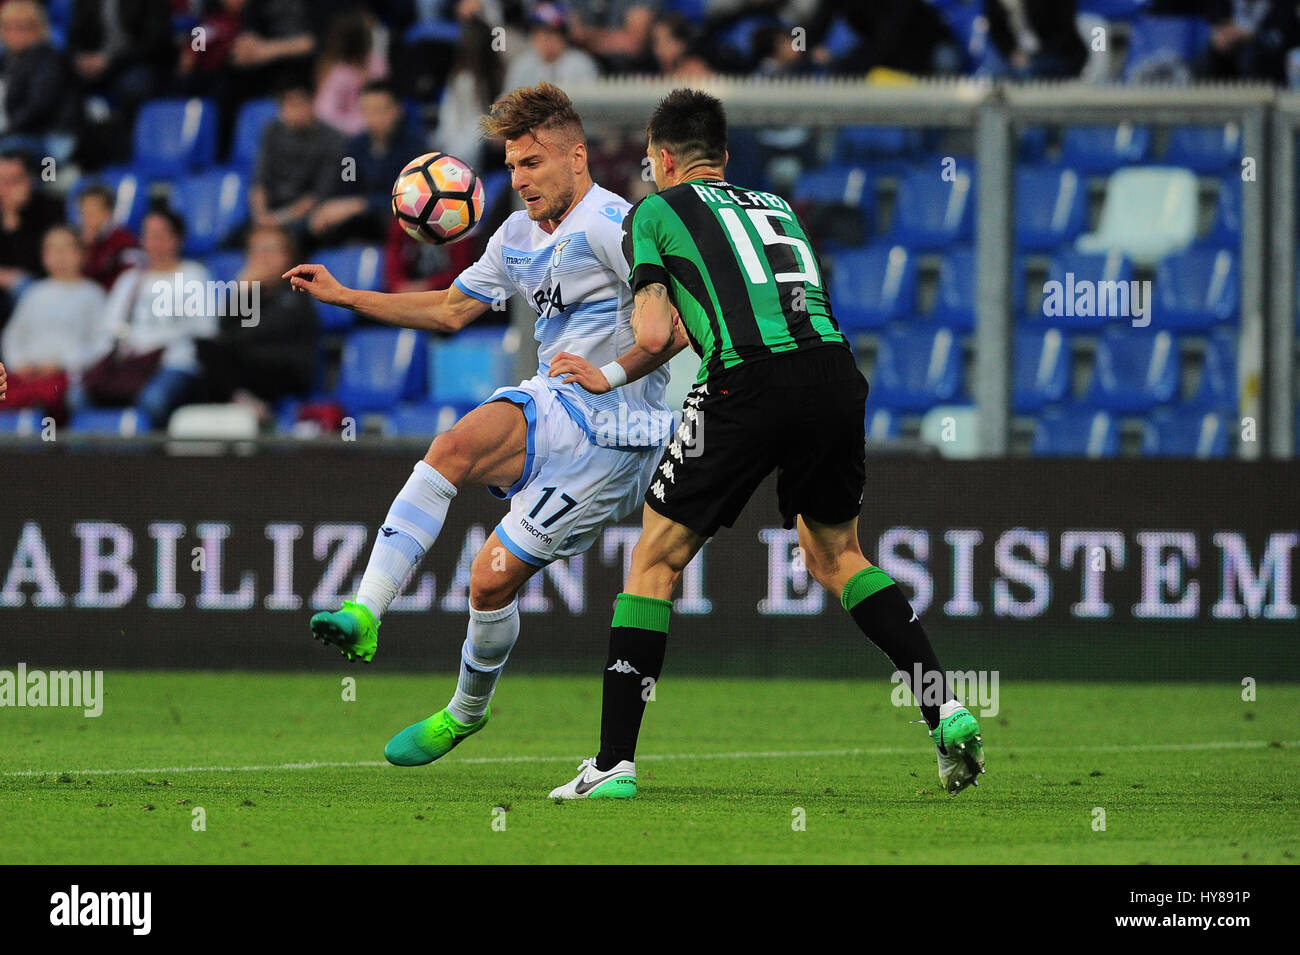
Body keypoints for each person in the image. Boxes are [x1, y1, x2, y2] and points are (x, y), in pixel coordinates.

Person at [546, 89, 986, 800]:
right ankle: (946, 707)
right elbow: (730, 308)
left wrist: (611, 357)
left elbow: (659, 332)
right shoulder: (777, 207)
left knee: (654, 559)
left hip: (746, 380)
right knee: (839, 555)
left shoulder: (653, 212)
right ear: (722, 157)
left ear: (661, 159)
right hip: (834, 372)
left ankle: (612, 764)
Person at [283, 82, 684, 768]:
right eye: (510, 166)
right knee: (454, 456)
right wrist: (346, 295)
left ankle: (466, 707)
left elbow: (675, 323)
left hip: (620, 437)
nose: (518, 179)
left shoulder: (615, 224)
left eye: (532, 164)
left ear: (577, 157)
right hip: (555, 404)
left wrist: (611, 372)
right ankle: (368, 614)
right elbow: (448, 311)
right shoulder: (517, 234)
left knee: (488, 578)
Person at [91, 208, 214, 426]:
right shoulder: (130, 279)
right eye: (147, 235)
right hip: (130, 365)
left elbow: (206, 330)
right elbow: (108, 328)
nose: (152, 242)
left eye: (160, 234)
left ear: (176, 239)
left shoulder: (194, 275)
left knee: (152, 401)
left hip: (174, 363)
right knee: (78, 397)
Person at [196, 224, 317, 417]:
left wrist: (230, 336)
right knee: (204, 349)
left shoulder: (296, 291)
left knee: (219, 355)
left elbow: (257, 332)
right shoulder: (253, 294)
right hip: (248, 368)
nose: (262, 258)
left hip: (284, 371)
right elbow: (223, 327)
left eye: (270, 250)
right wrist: (241, 291)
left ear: (289, 256)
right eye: (256, 251)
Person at [0, 225, 107, 424]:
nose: (59, 256)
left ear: (81, 253)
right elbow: (13, 336)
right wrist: (19, 362)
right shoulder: (34, 294)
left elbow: (101, 344)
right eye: (52, 250)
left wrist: (61, 362)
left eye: (65, 249)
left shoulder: (93, 295)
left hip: (66, 375)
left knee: (58, 398)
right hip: (26, 374)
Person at [308, 80, 424, 245]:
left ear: (397, 110)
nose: (373, 118)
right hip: (359, 221)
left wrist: (361, 204)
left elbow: (413, 199)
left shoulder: (416, 150)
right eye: (367, 111)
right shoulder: (353, 148)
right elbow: (346, 186)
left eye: (379, 110)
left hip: (396, 223)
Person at [250, 78, 345, 238]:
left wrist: (279, 219)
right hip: (269, 214)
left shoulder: (332, 139)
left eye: (299, 104)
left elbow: (319, 194)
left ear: (312, 103)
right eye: (287, 104)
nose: (294, 111)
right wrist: (261, 217)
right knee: (230, 241)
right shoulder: (271, 131)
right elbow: (259, 182)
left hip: (304, 216)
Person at [0, 150, 64, 330]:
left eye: (13, 181)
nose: (4, 189)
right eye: (1, 181)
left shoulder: (52, 208)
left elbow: (44, 265)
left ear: (30, 180)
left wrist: (13, 219)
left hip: (43, 287)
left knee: (22, 287)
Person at [502, 3, 600, 90]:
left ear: (563, 38)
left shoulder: (581, 64)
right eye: (540, 34)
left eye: (552, 34)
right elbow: (508, 105)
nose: (546, 40)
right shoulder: (522, 65)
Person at [76, 184, 143, 290]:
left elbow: (132, 277)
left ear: (108, 212)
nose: (87, 218)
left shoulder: (123, 240)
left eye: (92, 212)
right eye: (84, 213)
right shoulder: (77, 241)